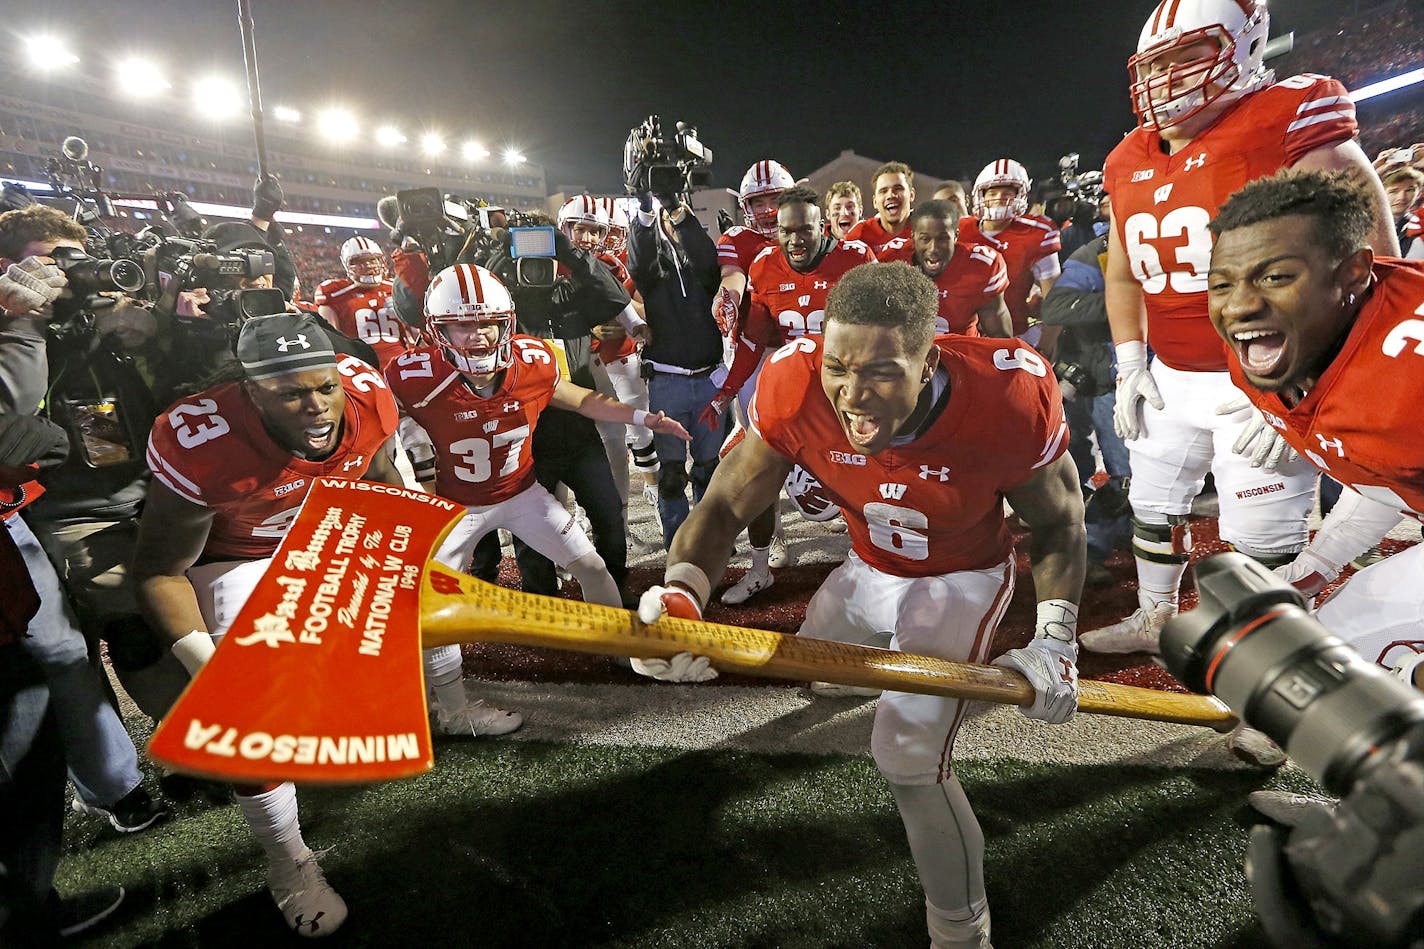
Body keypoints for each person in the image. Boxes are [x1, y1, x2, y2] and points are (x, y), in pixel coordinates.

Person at [640, 263, 1085, 948]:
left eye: (880, 372)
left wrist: (1057, 638)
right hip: (867, 562)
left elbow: (1058, 525)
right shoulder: (794, 382)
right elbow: (726, 503)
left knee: (907, 755)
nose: (852, 394)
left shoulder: (1007, 392)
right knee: (818, 665)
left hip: (958, 576)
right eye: (839, 368)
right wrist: (681, 593)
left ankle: (962, 932)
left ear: (929, 356)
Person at [1083, 0, 1400, 668]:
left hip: (1263, 374)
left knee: (1262, 532)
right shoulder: (1125, 157)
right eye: (1156, 65)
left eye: (1188, 57)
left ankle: (1266, 659)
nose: (1168, 80)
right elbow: (1121, 275)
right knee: (1154, 500)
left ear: (1247, 45)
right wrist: (1131, 359)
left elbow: (1367, 252)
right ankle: (1155, 614)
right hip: (1169, 372)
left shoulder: (1288, 114)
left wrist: (1315, 377)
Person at [130, 311, 405, 937]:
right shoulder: (204, 443)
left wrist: (392, 553)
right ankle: (289, 862)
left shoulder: (367, 398)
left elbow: (382, 479)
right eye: (290, 393)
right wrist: (209, 664)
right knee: (250, 722)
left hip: (320, 541)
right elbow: (158, 571)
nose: (315, 406)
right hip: (232, 560)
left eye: (324, 387)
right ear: (250, 390)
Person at [388, 263, 690, 680]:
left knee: (593, 567)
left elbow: (582, 398)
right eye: (463, 326)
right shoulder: (412, 377)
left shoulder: (532, 360)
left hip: (522, 494)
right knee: (432, 597)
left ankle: (621, 645)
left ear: (506, 322)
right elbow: (373, 421)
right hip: (457, 507)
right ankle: (445, 696)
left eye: (490, 324)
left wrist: (643, 417)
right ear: (439, 329)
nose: (479, 336)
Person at [1206, 168, 1424, 686]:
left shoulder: (1409, 374)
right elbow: (1385, 472)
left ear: (1352, 273)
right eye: (1222, 283)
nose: (1238, 305)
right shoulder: (1264, 344)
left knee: (1344, 656)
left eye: (1276, 276)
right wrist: (1320, 561)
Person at [0, 205, 169, 832]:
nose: (68, 277)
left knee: (141, 625)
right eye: (52, 260)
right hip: (52, 514)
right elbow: (14, 414)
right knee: (89, 644)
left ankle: (150, 764)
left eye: (74, 260)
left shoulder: (100, 320)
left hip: (134, 492)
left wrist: (154, 336)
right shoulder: (16, 324)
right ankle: (125, 783)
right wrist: (24, 324)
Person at [702, 186, 875, 602]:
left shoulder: (855, 260)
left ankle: (871, 566)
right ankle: (760, 568)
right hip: (793, 393)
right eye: (786, 231)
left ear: (824, 226)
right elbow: (754, 340)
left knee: (860, 485)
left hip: (844, 394)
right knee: (758, 477)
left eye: (805, 230)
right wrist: (726, 391)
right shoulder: (764, 264)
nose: (795, 239)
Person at [626, 179, 726, 551]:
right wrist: (645, 208)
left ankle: (709, 540)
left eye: (680, 220)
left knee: (709, 468)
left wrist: (677, 208)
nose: (675, 226)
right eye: (669, 221)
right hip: (667, 382)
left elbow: (705, 256)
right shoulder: (654, 274)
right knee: (670, 475)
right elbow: (638, 260)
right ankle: (678, 545)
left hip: (708, 379)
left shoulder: (703, 268)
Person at [1040, 230, 1134, 585]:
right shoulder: (1100, 251)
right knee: (1125, 477)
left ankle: (1131, 532)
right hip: (1115, 381)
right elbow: (1056, 306)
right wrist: (1128, 299)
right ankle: (1091, 548)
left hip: (1184, 374)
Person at [959, 159, 1062, 348]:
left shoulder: (1036, 233)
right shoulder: (961, 229)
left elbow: (1055, 298)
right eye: (993, 192)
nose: (999, 198)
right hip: (963, 333)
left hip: (1014, 334)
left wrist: (1046, 347)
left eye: (1007, 193)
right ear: (980, 194)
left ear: (1021, 195)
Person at [876, 199, 1013, 338]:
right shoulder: (891, 260)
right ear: (913, 237)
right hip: (909, 353)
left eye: (942, 239)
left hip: (962, 351)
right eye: (925, 239)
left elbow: (1000, 337)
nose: (933, 248)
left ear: (955, 237)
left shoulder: (982, 266)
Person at [315, 236, 419, 370]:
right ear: (347, 265)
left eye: (373, 259)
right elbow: (330, 340)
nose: (368, 265)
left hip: (402, 361)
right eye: (359, 261)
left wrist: (404, 312)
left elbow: (419, 337)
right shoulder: (335, 293)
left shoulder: (396, 287)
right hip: (360, 366)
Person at [844, 161, 916, 254]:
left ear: (911, 194)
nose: (890, 195)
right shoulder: (859, 234)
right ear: (875, 202)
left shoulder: (927, 228)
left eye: (898, 188)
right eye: (883, 191)